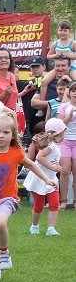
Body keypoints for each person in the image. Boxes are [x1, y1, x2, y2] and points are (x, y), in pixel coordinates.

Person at [0, 112, 55, 280]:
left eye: (6, 132)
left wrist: (46, 179)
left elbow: (31, 164)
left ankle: (5, 253)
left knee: (0, 223)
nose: (1, 135)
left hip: (8, 198)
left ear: (13, 135)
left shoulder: (15, 152)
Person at [25, 118, 65, 236]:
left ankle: (51, 229)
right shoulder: (50, 145)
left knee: (54, 203)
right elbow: (39, 157)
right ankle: (34, 226)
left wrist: (55, 166)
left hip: (51, 178)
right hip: (40, 178)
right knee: (39, 205)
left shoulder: (56, 145)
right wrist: (53, 167)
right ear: (59, 133)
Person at [0, 48, 23, 132]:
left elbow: (13, 96)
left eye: (6, 58)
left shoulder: (12, 76)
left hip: (12, 117)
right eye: (0, 58)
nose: (3, 60)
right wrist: (4, 95)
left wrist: (24, 92)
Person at [57, 82, 76, 210]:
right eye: (74, 90)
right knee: (64, 171)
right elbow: (58, 125)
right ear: (69, 92)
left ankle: (75, 201)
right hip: (65, 141)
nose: (75, 93)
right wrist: (69, 117)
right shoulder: (64, 106)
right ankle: (63, 201)